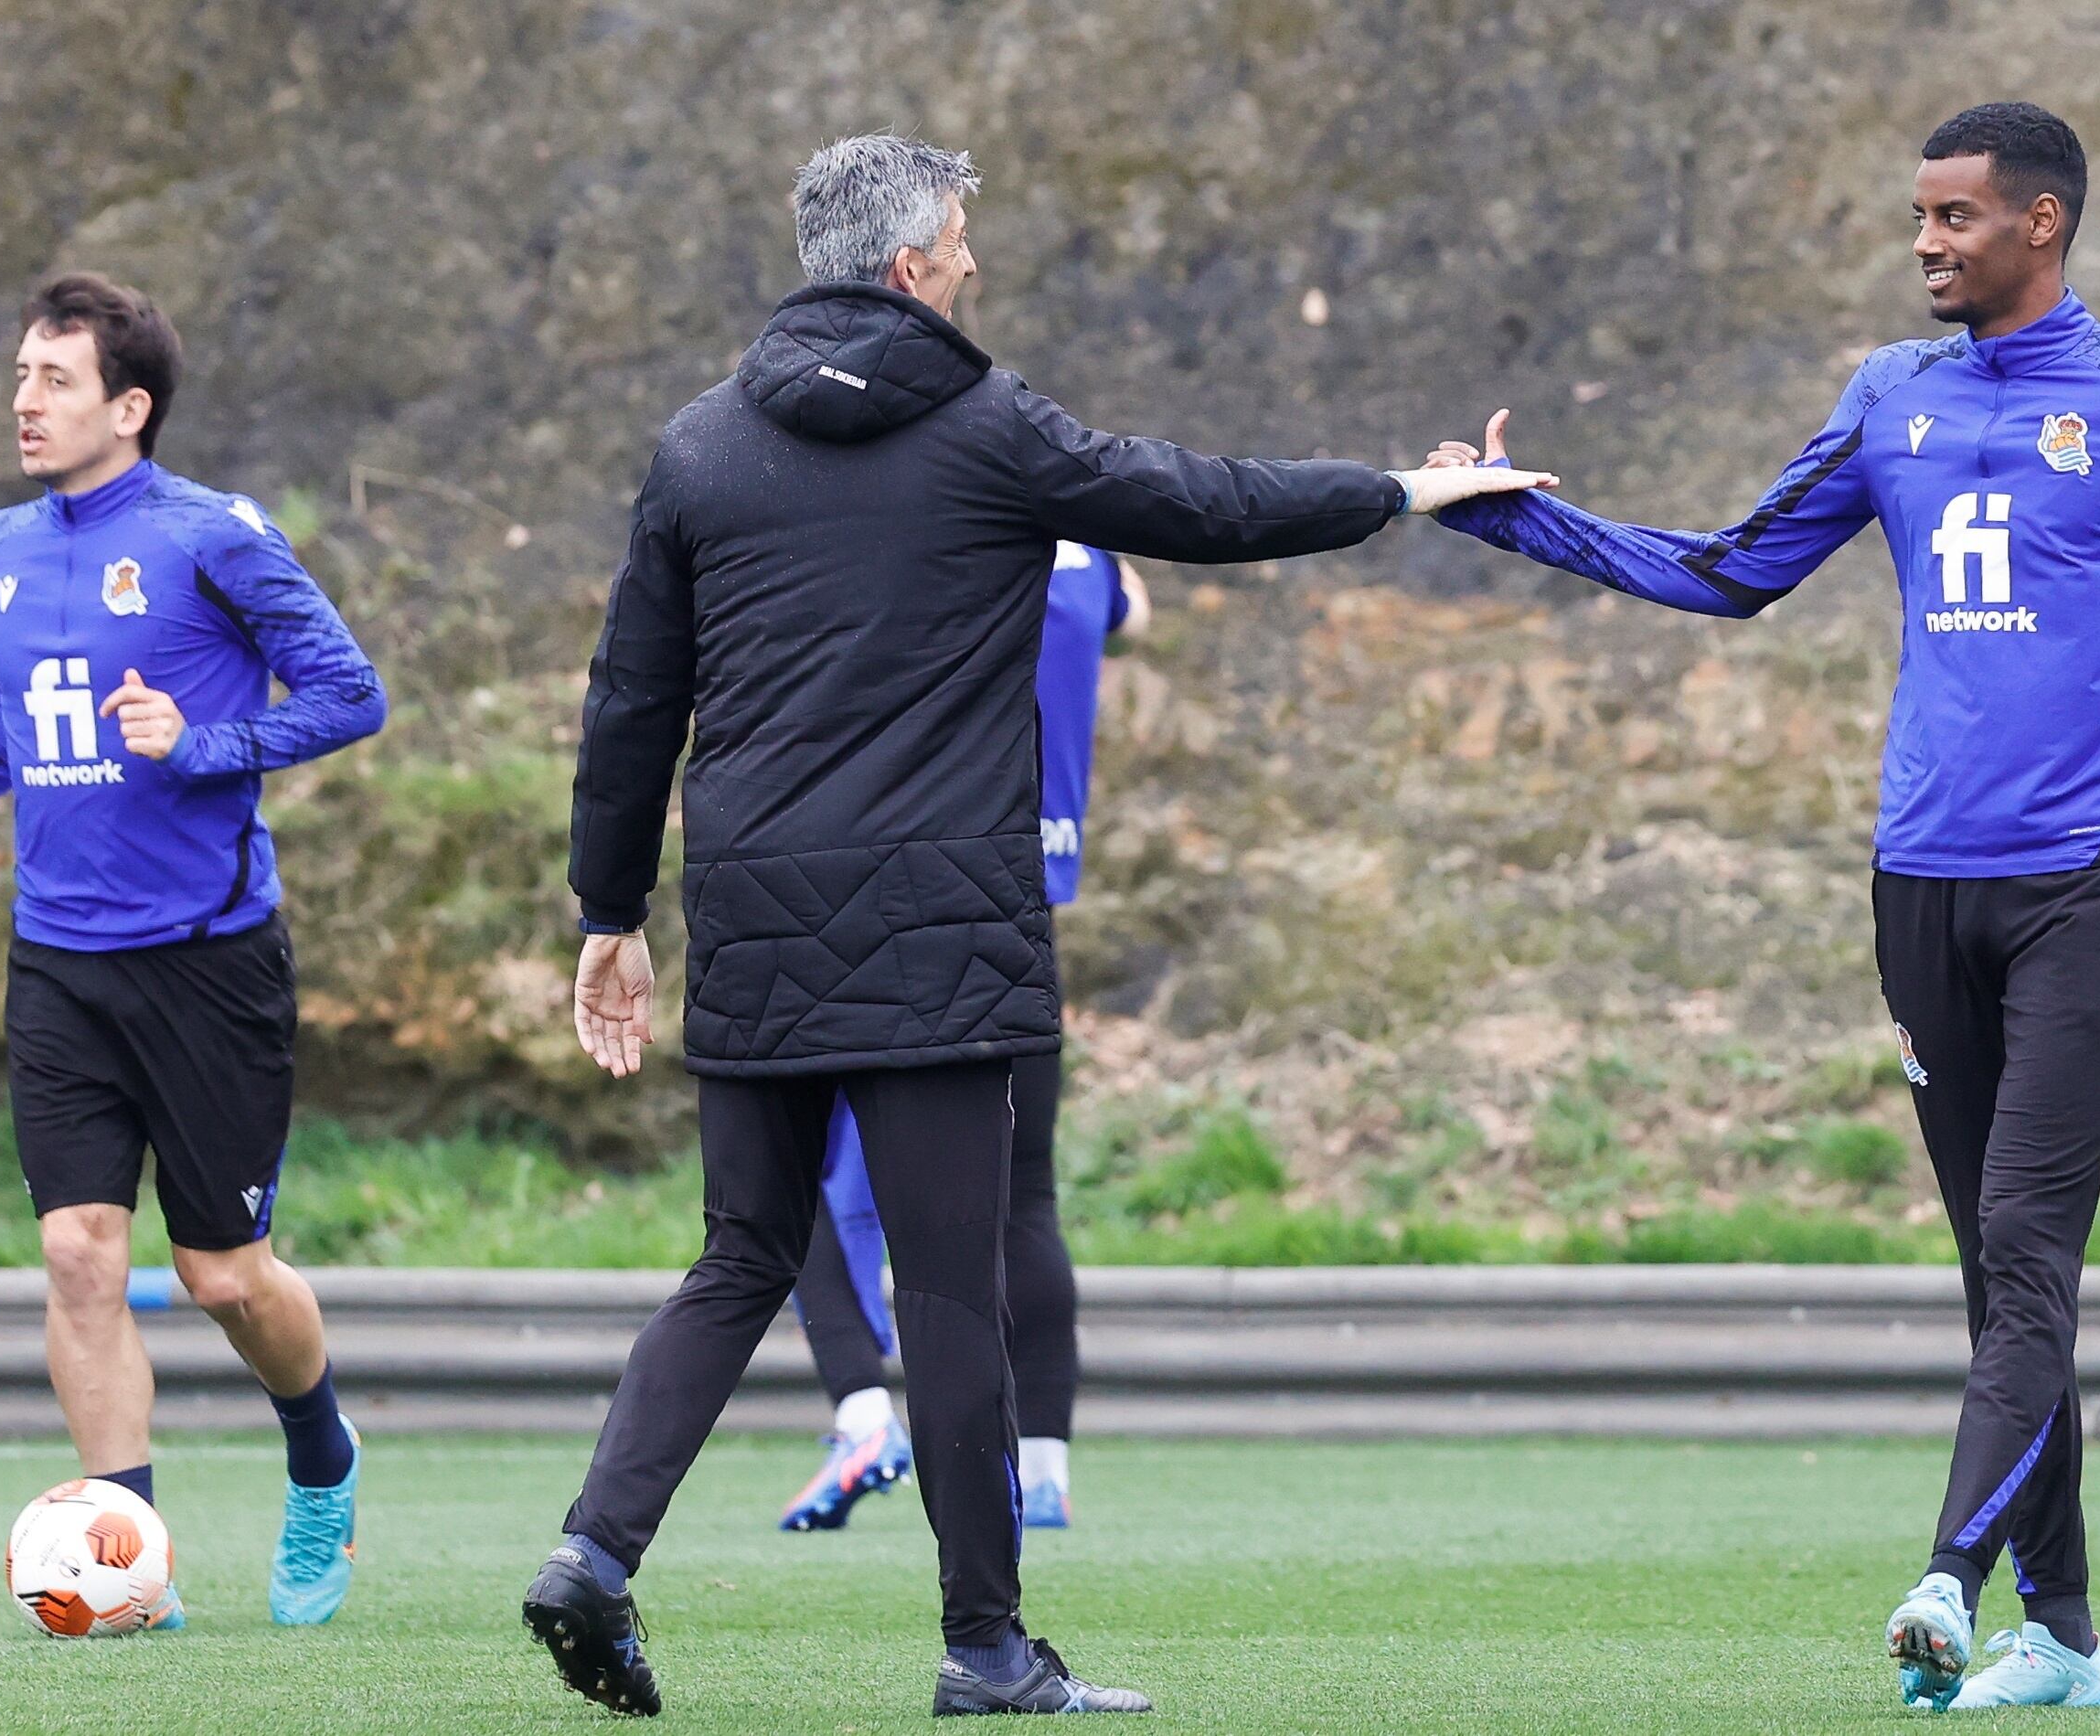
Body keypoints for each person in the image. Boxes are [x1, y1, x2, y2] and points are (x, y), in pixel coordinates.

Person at [527, 132, 1550, 1719]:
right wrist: (1409, 488)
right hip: (940, 930)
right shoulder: (987, 427)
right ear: (908, 269)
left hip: (754, 918)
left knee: (738, 1253)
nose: (975, 267)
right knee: (948, 1290)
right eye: (961, 244)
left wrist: (608, 911)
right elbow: (1201, 502)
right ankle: (986, 1649)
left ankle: (593, 1551)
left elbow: (628, 701)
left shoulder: (700, 447)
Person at [1423, 102, 2100, 1712]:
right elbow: (1732, 569)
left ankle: (1948, 1579)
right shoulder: (1889, 395)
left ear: (2042, 225)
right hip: (1916, 884)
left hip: (2086, 891)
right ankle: (2067, 1639)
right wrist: (1514, 515)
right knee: (2000, 1273)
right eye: (1919, 219)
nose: (1928, 242)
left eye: (1956, 217)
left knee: (2025, 1246)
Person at [0, 273, 388, 1627]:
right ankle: (124, 1556)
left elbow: (348, 692)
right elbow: (20, 720)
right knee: (81, 1253)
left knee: (222, 1274)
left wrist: (203, 745)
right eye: (22, 374)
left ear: (129, 407)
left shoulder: (215, 536)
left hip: (209, 963)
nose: (25, 400)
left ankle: (322, 1452)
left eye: (56, 379)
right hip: (59, 964)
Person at [777, 541, 1147, 1536]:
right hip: (1025, 909)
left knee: (783, 1178)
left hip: (890, 888)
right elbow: (1133, 614)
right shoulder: (1092, 561)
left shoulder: (934, 532)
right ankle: (1047, 1468)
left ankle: (861, 1415)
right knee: (1021, 1197)